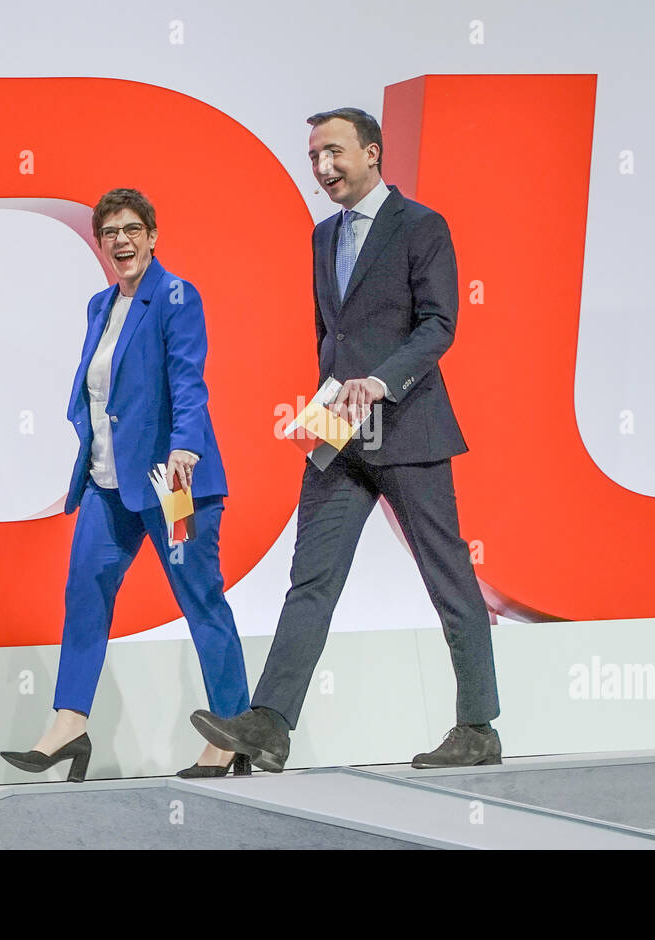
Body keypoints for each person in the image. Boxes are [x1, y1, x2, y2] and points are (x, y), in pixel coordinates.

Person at [191, 108, 501, 772]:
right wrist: (322, 412)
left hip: (408, 427)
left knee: (447, 577)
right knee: (312, 580)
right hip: (341, 437)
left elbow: (438, 326)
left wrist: (381, 383)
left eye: (333, 152)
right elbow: (332, 342)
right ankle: (270, 724)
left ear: (372, 152)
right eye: (313, 157)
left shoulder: (422, 227)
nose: (323, 167)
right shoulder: (320, 236)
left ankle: (478, 727)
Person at [1, 188, 250, 781]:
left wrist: (186, 446)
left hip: (172, 482)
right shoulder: (98, 305)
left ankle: (233, 729)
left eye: (132, 228)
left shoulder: (174, 295)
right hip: (107, 486)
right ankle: (69, 722)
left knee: (200, 597)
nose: (121, 240)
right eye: (109, 231)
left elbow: (190, 380)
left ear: (153, 235)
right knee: (84, 593)